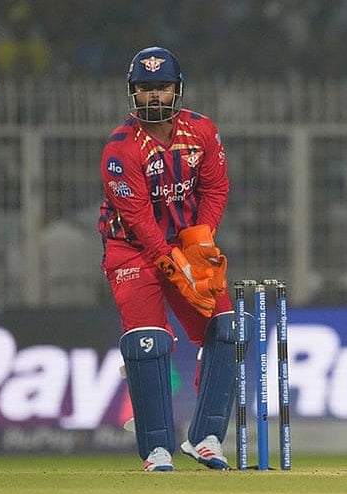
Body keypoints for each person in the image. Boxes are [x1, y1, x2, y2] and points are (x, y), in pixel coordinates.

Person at [99, 46, 243, 471]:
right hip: (131, 250)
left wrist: (201, 242)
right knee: (149, 341)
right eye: (145, 89)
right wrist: (170, 265)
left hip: (183, 243)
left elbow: (215, 189)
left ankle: (206, 437)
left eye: (162, 88)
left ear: (176, 90)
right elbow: (139, 219)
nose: (154, 97)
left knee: (229, 330)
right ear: (133, 93)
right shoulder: (120, 149)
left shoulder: (201, 131)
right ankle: (157, 447)